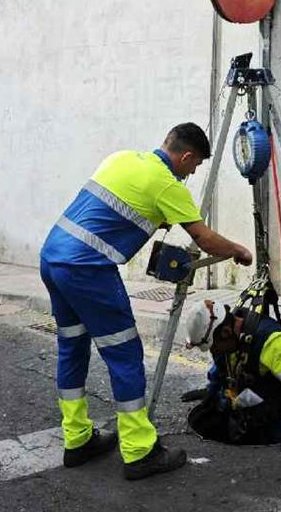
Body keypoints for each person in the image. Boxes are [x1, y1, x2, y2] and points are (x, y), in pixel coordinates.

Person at [39, 123, 253, 481]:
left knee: (72, 348)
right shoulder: (168, 185)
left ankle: (77, 440)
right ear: (185, 156)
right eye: (195, 165)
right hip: (88, 268)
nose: (193, 173)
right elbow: (205, 239)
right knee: (125, 355)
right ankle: (139, 452)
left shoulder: (121, 158)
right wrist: (238, 251)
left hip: (53, 256)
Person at [182, 299, 281, 458]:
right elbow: (221, 368)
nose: (213, 351)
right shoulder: (229, 339)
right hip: (245, 407)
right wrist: (211, 391)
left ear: (226, 332)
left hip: (273, 413)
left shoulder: (272, 341)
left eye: (213, 346)